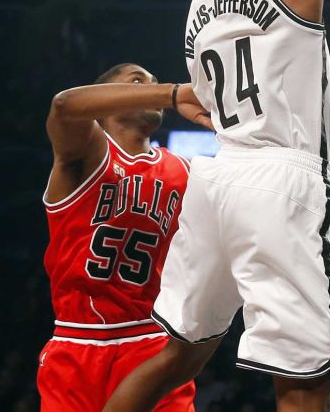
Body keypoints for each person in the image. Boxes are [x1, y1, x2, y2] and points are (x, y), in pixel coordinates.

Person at [103, 0, 330, 411]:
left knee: (177, 358)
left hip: (218, 181)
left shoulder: (201, 2)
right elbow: (276, 151)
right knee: (305, 382)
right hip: (281, 191)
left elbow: (241, 124)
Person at [39, 62, 210, 411]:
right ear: (106, 102)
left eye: (153, 83)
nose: (150, 88)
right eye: (137, 82)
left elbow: (266, 171)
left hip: (149, 339)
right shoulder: (87, 155)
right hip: (76, 341)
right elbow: (63, 106)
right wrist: (173, 93)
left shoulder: (185, 170)